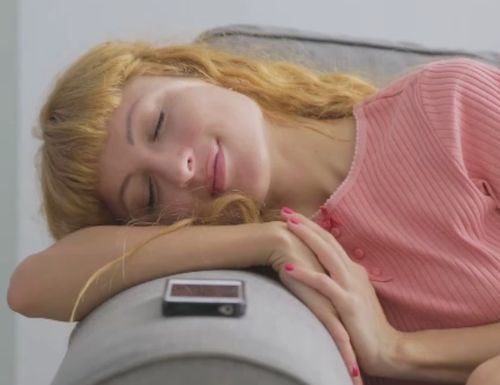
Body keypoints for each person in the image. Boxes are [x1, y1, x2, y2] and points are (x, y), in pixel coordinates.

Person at [6, 40, 500, 385]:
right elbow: (29, 288)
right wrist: (269, 240)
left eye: (157, 124)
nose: (178, 168)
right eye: (149, 195)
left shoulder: (446, 107)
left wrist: (399, 352)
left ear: (192, 71)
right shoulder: (269, 258)